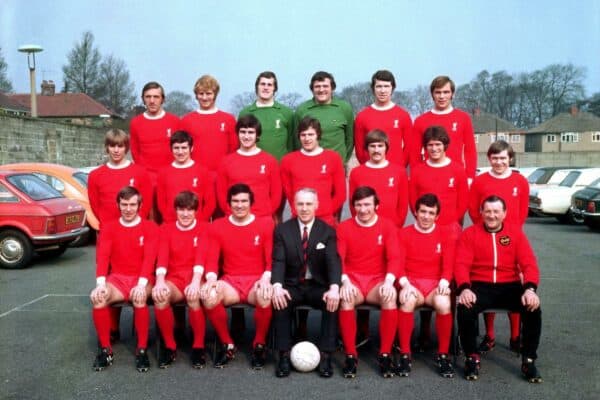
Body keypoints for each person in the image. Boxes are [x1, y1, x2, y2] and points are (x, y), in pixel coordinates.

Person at [456, 195, 542, 383]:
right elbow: (461, 264)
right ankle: (472, 356)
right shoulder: (470, 233)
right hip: (480, 285)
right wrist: (464, 288)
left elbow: (529, 264)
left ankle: (528, 359)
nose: (492, 215)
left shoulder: (516, 233)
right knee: (465, 308)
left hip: (509, 285)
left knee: (533, 307)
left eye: (496, 211)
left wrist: (530, 289)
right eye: (487, 211)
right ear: (481, 213)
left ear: (504, 213)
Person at [200, 184, 274, 369]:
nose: (239, 205)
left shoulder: (265, 224)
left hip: (256, 280)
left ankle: (259, 344)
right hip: (231, 281)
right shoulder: (218, 226)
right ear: (228, 204)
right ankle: (227, 344)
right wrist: (210, 279)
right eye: (235, 201)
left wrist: (266, 279)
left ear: (251, 203)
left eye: (243, 201)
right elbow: (211, 258)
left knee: (265, 295)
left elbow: (270, 259)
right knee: (209, 296)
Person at [408, 125, 468, 351]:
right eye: (430, 145)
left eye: (438, 145)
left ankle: (449, 332)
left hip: (449, 229)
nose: (434, 148)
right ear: (425, 148)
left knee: (448, 280)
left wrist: (450, 223)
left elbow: (463, 201)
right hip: (426, 228)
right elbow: (413, 199)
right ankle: (424, 330)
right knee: (423, 274)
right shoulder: (418, 170)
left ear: (445, 146)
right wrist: (425, 222)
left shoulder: (457, 169)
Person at [271, 188, 341, 378]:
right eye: (300, 204)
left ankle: (326, 355)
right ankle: (284, 354)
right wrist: (277, 286)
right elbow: (279, 261)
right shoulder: (282, 230)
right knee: (280, 300)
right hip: (292, 284)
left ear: (316, 205)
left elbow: (333, 261)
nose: (304, 208)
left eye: (308, 204)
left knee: (333, 301)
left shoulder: (327, 231)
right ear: (294, 206)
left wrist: (334, 287)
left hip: (317, 285)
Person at [468, 140, 529, 354]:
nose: (499, 162)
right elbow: (474, 210)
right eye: (495, 158)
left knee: (513, 282)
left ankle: (515, 336)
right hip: (487, 237)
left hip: (511, 240)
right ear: (489, 159)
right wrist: (485, 231)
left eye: (503, 158)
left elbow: (522, 212)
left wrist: (512, 234)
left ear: (510, 158)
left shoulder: (520, 181)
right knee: (487, 282)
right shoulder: (480, 181)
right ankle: (490, 334)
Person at [90, 186, 159, 372]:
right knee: (98, 298)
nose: (128, 209)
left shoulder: (150, 227)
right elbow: (103, 257)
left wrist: (142, 284)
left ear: (140, 206)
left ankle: (142, 350)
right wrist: (100, 284)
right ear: (118, 205)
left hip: (142, 278)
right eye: (124, 205)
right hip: (118, 279)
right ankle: (106, 350)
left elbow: (150, 258)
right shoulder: (110, 228)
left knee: (139, 297)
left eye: (132, 205)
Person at [337, 186, 400, 378]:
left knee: (390, 297)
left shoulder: (387, 226)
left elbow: (394, 257)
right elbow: (338, 258)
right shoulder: (344, 227)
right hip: (353, 280)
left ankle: (385, 354)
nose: (363, 209)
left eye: (367, 205)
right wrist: (345, 282)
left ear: (376, 206)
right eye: (358, 205)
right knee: (345, 299)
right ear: (353, 206)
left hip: (377, 281)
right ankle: (350, 355)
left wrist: (389, 282)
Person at [396, 194, 456, 378]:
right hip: (412, 282)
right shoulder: (403, 233)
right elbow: (397, 264)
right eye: (423, 211)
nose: (426, 216)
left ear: (437, 216)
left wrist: (445, 282)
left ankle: (443, 355)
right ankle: (405, 354)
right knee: (406, 301)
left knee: (444, 304)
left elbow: (449, 264)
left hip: (434, 284)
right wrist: (405, 285)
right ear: (416, 212)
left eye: (431, 213)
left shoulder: (445, 233)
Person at [152, 191, 209, 369]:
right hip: (174, 278)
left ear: (196, 211)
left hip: (195, 276)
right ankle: (170, 346)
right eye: (181, 209)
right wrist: (160, 280)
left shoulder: (204, 228)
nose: (185, 214)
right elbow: (162, 256)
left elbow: (201, 257)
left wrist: (195, 281)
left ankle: (198, 347)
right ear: (175, 210)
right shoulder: (166, 229)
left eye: (189, 210)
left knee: (193, 296)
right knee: (160, 296)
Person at [280, 117, 346, 226]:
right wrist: (300, 211)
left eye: (311, 134)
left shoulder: (333, 158)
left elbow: (341, 193)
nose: (307, 138)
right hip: (299, 220)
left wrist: (327, 211)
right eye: (303, 135)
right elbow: (289, 192)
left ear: (318, 135)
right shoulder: (288, 160)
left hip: (325, 220)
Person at [411, 76, 477, 182]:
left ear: (453, 94)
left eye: (446, 92)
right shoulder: (420, 121)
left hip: (456, 177)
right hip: (429, 176)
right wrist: (417, 175)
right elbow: (414, 153)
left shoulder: (463, 118)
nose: (442, 96)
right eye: (438, 92)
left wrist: (470, 177)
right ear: (432, 94)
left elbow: (470, 150)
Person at [216, 115, 282, 220]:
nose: (246, 137)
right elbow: (221, 193)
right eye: (243, 132)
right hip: (235, 218)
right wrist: (231, 213)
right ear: (237, 134)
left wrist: (266, 213)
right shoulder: (226, 161)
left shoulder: (269, 161)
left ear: (257, 135)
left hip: (262, 218)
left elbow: (276, 194)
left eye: (251, 132)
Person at [88, 129, 153, 228]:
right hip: (108, 230)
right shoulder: (95, 175)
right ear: (107, 147)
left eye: (120, 146)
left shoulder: (140, 173)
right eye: (112, 146)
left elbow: (146, 203)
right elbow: (95, 206)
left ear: (126, 148)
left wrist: (135, 223)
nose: (116, 150)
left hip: (134, 230)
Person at [349, 129, 408, 228]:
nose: (376, 150)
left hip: (392, 227)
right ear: (367, 148)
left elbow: (403, 204)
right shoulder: (357, 173)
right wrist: (361, 223)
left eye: (380, 146)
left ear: (386, 147)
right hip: (365, 226)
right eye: (372, 146)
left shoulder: (399, 172)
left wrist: (397, 225)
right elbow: (352, 203)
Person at [180, 75, 238, 174]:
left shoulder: (228, 119)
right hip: (195, 174)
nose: (204, 97)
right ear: (196, 95)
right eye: (201, 94)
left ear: (215, 95)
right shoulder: (186, 120)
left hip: (222, 174)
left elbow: (234, 150)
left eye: (208, 93)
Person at [354, 70, 412, 166]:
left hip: (396, 172)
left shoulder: (403, 115)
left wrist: (400, 168)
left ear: (392, 88)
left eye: (386, 86)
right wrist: (369, 167)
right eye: (379, 86)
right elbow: (359, 149)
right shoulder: (362, 116)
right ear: (373, 88)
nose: (382, 90)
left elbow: (409, 147)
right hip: (371, 172)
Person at [294, 71, 354, 163]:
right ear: (312, 89)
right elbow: (296, 141)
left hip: (337, 166)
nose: (321, 90)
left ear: (332, 88)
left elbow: (350, 140)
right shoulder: (302, 110)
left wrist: (343, 161)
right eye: (317, 86)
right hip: (310, 164)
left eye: (325, 86)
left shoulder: (344, 108)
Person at [156, 130, 215, 223]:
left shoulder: (203, 171)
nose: (180, 152)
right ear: (171, 149)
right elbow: (161, 203)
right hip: (171, 224)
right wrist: (169, 221)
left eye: (184, 148)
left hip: (197, 224)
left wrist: (200, 222)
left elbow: (210, 203)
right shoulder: (163, 173)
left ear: (191, 148)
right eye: (176, 148)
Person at [129, 81, 181, 187]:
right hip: (146, 180)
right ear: (143, 99)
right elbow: (135, 151)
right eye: (148, 97)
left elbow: (181, 149)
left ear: (162, 99)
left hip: (170, 179)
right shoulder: (136, 123)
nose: (152, 101)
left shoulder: (175, 122)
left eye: (156, 97)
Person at [239, 71, 294, 161]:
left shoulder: (286, 113)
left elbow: (292, 144)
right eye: (262, 84)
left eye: (269, 85)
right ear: (257, 87)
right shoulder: (245, 113)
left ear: (274, 89)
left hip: (280, 168)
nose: (266, 87)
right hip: (253, 167)